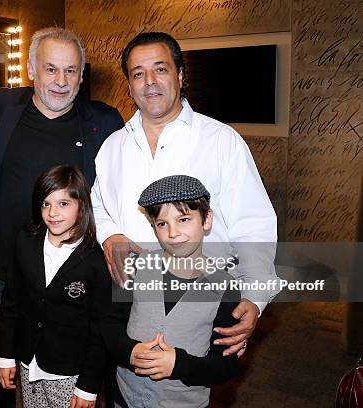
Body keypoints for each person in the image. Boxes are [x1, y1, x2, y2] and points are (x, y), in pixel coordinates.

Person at [91, 32, 279, 357]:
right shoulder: (112, 147)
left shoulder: (221, 141)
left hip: (202, 301)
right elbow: (98, 204)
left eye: (160, 69)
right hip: (130, 304)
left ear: (179, 75)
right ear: (129, 85)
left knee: (185, 389)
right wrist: (111, 236)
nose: (149, 81)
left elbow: (254, 225)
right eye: (138, 73)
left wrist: (254, 297)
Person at [0, 27, 123, 407]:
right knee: (2, 372)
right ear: (30, 68)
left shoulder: (104, 122)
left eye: (71, 71)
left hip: (73, 275)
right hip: (4, 273)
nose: (61, 82)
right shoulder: (2, 107)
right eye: (50, 69)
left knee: (78, 374)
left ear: (82, 74)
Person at [103, 175, 240, 408]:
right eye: (162, 223)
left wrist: (179, 365)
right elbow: (109, 324)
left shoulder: (226, 288)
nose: (173, 233)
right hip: (124, 397)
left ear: (206, 220)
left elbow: (225, 366)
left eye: (184, 219)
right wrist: (129, 351)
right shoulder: (134, 267)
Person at [0, 165, 111, 408]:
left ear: (81, 205)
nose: (52, 213)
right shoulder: (26, 240)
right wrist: (5, 356)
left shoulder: (95, 258)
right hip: (29, 363)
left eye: (63, 204)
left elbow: (101, 327)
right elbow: (11, 301)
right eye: (46, 204)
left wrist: (89, 386)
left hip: (71, 373)